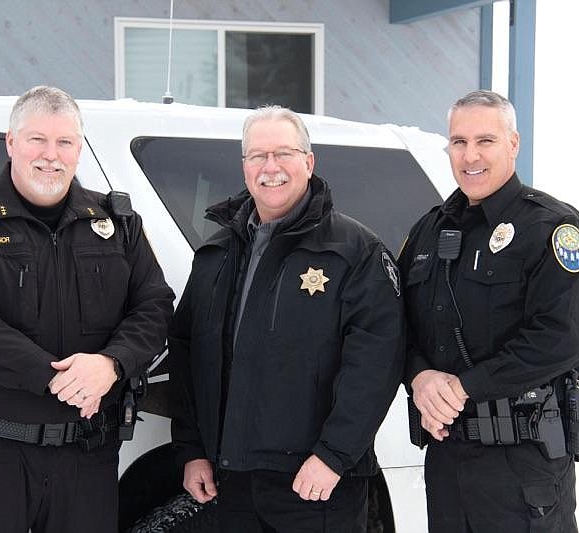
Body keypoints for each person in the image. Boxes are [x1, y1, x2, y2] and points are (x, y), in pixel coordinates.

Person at [0, 86, 175, 533]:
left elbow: (155, 305)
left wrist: (112, 364)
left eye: (65, 142)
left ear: (78, 148)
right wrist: (53, 376)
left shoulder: (119, 225)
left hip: (86, 458)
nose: (50, 155)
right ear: (11, 142)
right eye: (37, 139)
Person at [169, 105, 404, 532]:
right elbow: (189, 355)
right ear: (244, 168)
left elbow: (376, 363)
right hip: (233, 479)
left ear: (309, 162)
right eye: (257, 156)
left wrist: (333, 455)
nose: (270, 167)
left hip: (317, 484)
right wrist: (191, 450)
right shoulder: (217, 253)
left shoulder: (354, 251)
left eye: (284, 154)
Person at [399, 89, 579, 532]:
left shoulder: (552, 229)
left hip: (523, 467)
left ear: (513, 143)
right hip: (448, 459)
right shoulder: (429, 231)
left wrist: (462, 388)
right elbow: (398, 324)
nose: (469, 155)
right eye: (458, 141)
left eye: (485, 141)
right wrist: (420, 375)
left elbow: (559, 338)